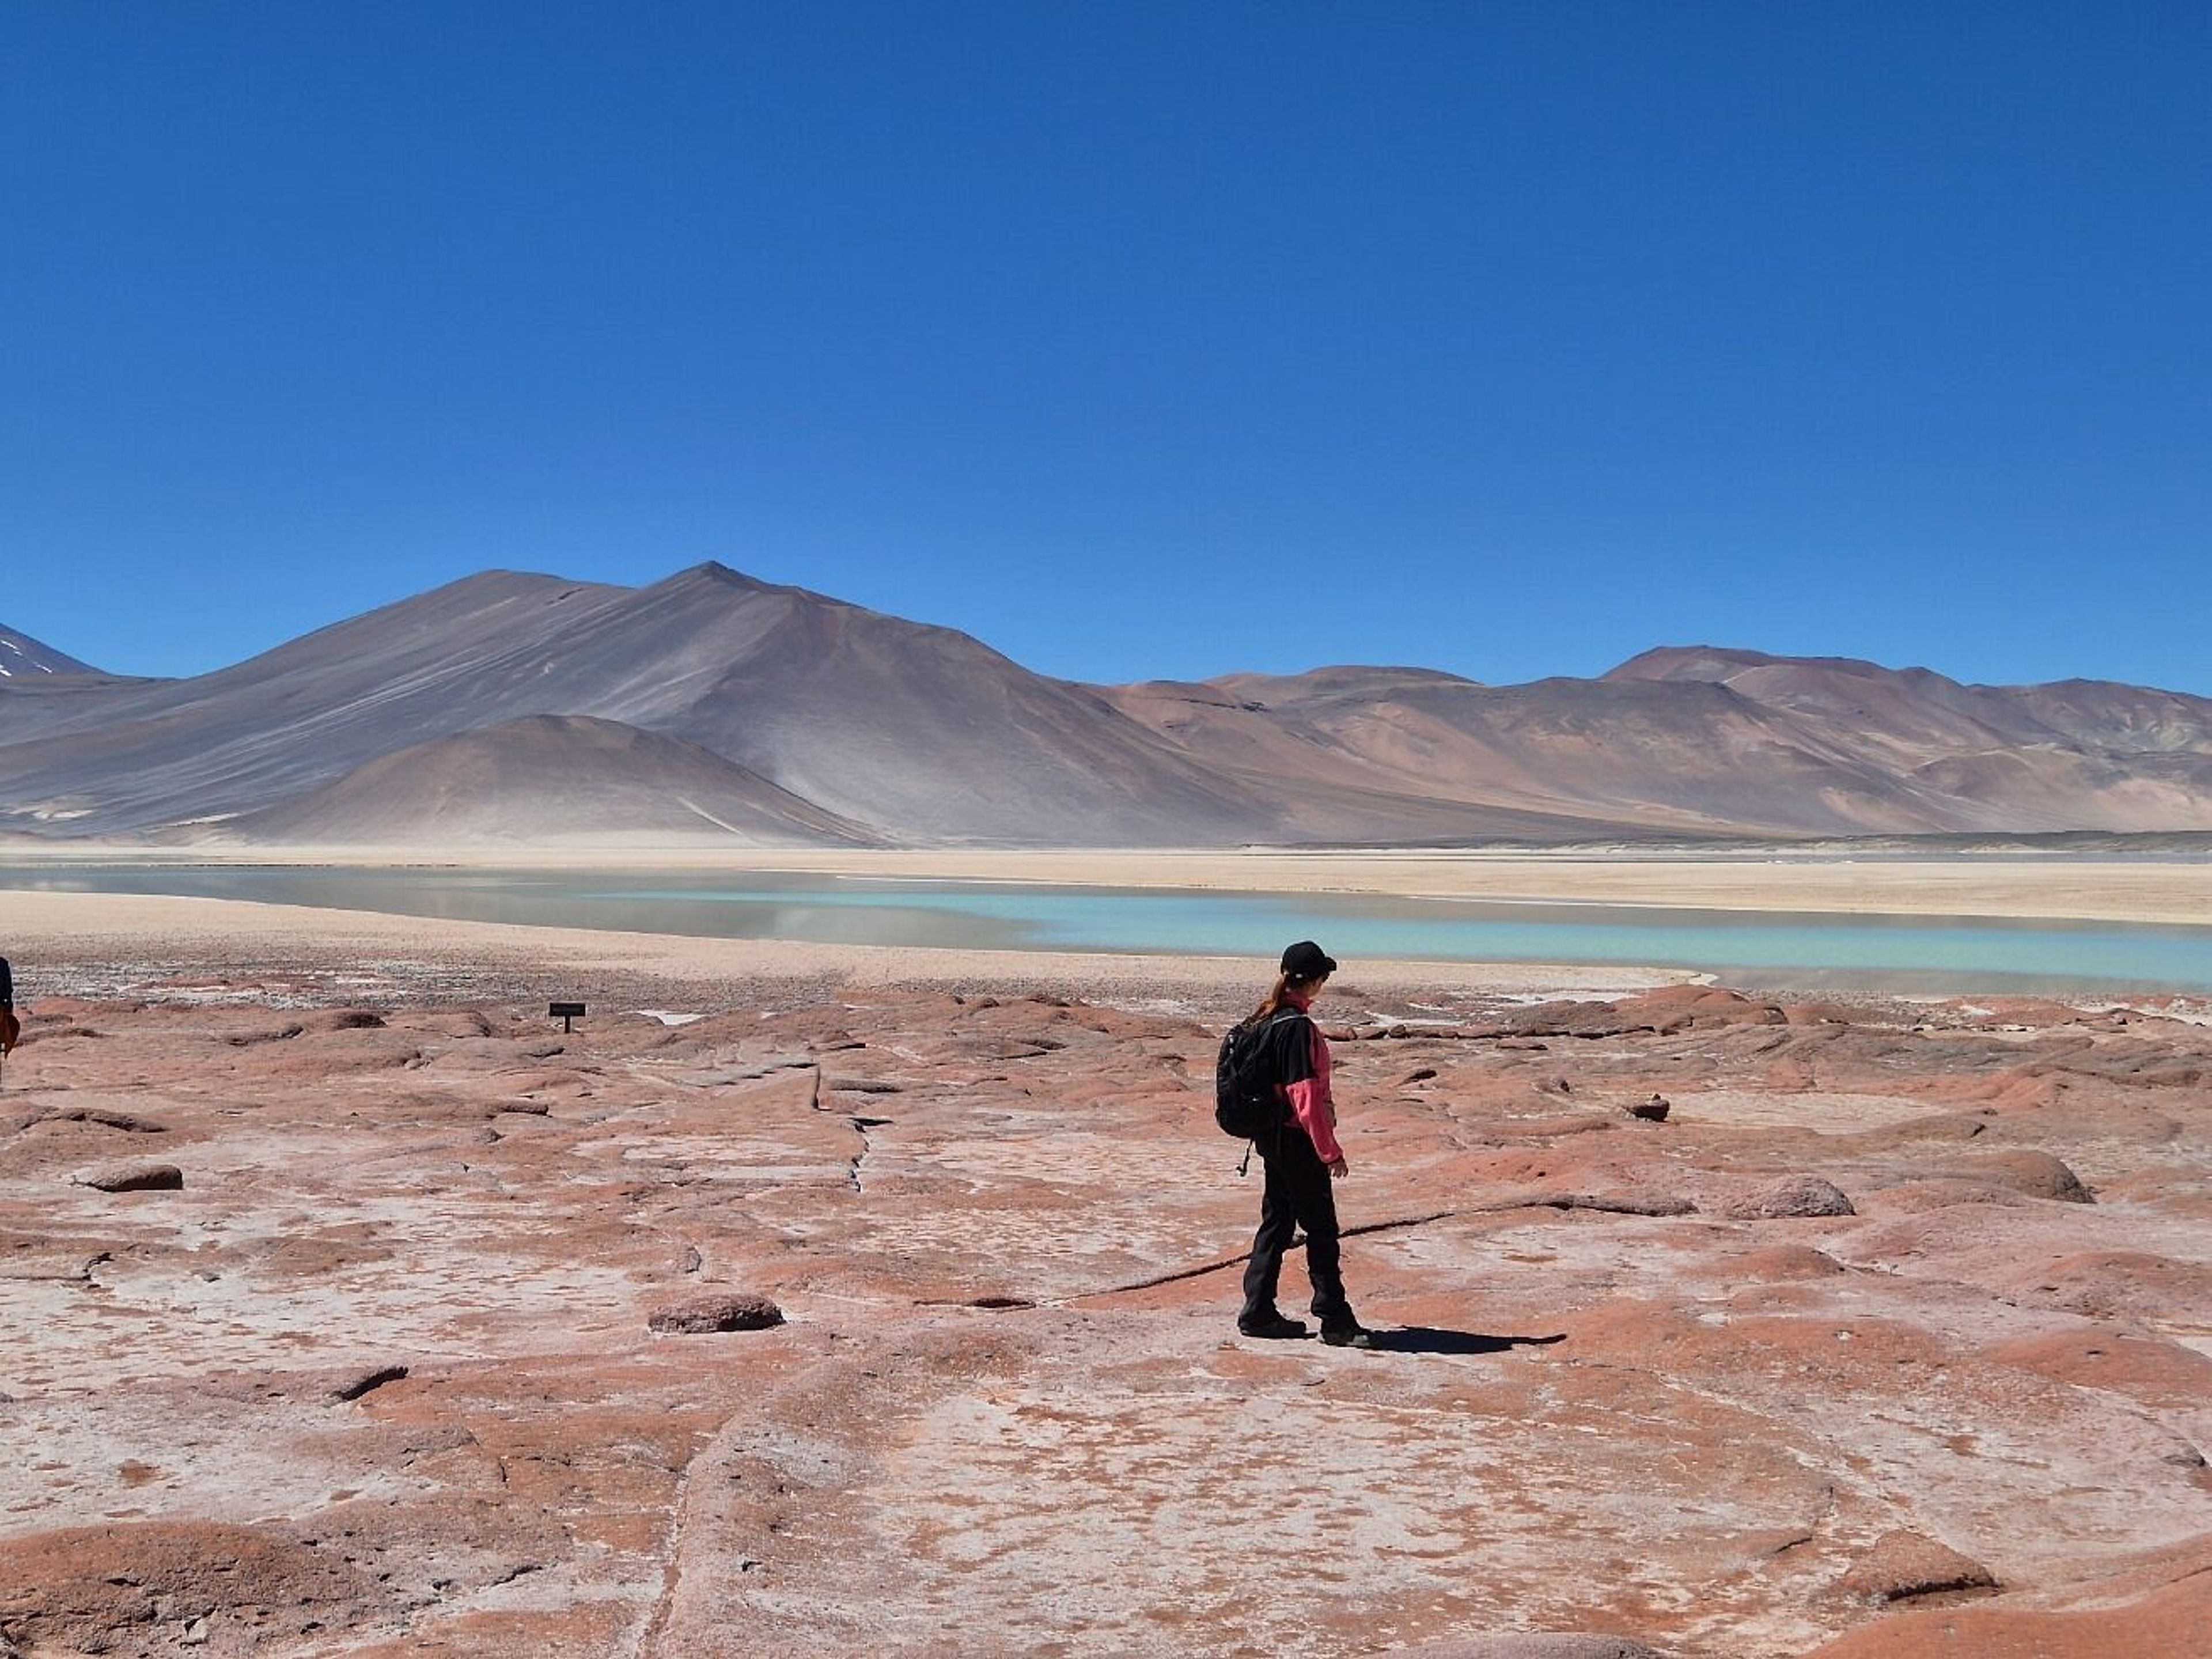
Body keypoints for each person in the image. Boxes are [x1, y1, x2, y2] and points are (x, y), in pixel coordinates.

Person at [1237, 940, 1373, 1348]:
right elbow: (1305, 1096)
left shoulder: (1264, 1019)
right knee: (1321, 1229)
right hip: (1297, 1142)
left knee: (1277, 1224)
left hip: (1271, 1139)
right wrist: (1329, 1151)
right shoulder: (1296, 1027)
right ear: (1314, 981)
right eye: (1323, 978)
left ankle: (1258, 1311)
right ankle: (1335, 1321)